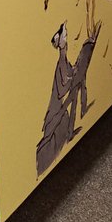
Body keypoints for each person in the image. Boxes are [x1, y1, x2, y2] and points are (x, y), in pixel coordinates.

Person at [35, 21, 81, 176]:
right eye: (64, 36)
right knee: (56, 127)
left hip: (59, 105)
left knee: (62, 121)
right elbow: (62, 88)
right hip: (57, 106)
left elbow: (66, 79)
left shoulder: (63, 59)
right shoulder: (61, 59)